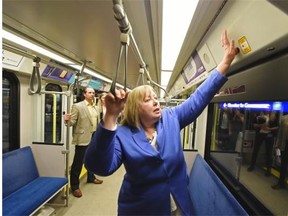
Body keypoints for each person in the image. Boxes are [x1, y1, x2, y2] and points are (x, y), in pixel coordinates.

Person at [84, 30, 238, 215]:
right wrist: (110, 117)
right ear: (135, 108)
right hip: (141, 209)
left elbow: (198, 99)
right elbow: (100, 167)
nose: (156, 102)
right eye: (148, 100)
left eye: (156, 98)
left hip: (177, 202)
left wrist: (225, 63)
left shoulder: (171, 118)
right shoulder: (122, 134)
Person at [64, 87, 103, 198]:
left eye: (93, 93)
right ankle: (75, 186)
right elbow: (71, 123)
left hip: (94, 136)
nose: (92, 94)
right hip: (83, 137)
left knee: (91, 159)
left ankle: (91, 177)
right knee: (78, 163)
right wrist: (66, 120)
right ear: (84, 94)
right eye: (90, 92)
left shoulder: (95, 107)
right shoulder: (78, 106)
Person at [248, 111, 279, 176]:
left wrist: (269, 129)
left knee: (269, 152)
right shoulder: (258, 114)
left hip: (269, 135)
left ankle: (268, 169)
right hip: (260, 133)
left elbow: (277, 126)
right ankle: (252, 165)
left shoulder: (274, 115)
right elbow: (252, 124)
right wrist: (260, 125)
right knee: (255, 150)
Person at [271, 114, 288, 189]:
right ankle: (281, 183)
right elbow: (280, 133)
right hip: (285, 144)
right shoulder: (284, 118)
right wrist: (277, 143)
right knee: (283, 165)